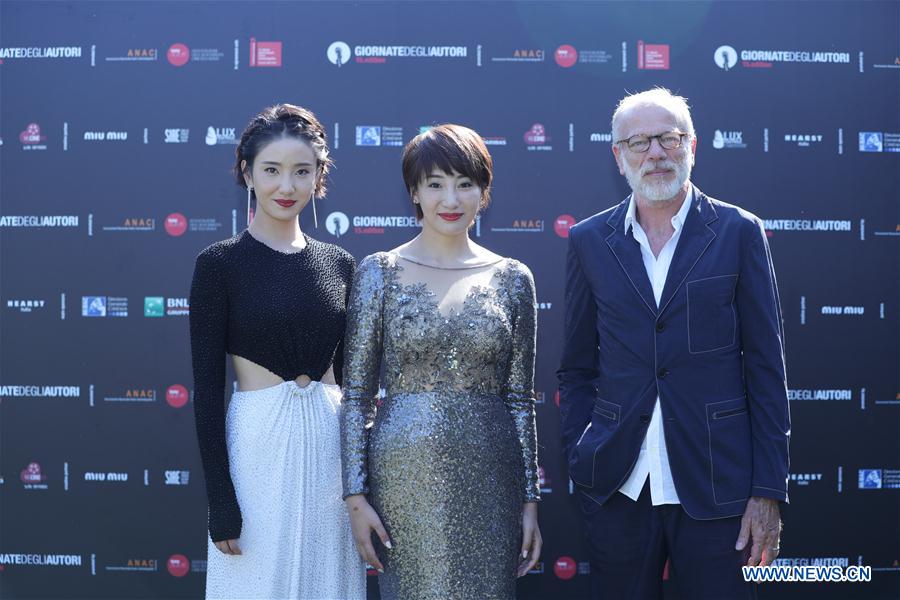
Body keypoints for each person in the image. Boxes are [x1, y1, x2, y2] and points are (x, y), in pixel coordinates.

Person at [558, 88, 790, 599]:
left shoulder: (738, 231)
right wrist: (582, 454)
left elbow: (767, 370)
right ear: (618, 157)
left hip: (719, 488)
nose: (656, 154)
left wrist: (767, 491)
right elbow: (575, 370)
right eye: (639, 142)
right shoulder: (589, 242)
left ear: (693, 146)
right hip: (618, 485)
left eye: (668, 138)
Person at [340, 124, 542, 599]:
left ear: (483, 192)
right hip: (402, 480)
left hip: (493, 480)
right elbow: (356, 396)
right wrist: (355, 495)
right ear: (414, 191)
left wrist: (531, 501)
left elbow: (519, 399)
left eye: (464, 183)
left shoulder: (514, 279)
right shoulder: (379, 272)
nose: (450, 198)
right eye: (435, 184)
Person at [189, 104, 364, 599]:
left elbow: (353, 387)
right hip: (257, 449)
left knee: (327, 582)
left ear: (318, 178)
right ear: (247, 172)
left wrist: (359, 482)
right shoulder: (219, 265)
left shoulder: (341, 264)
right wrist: (220, 499)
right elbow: (206, 391)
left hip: (330, 452)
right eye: (271, 170)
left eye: (301, 172)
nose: (286, 187)